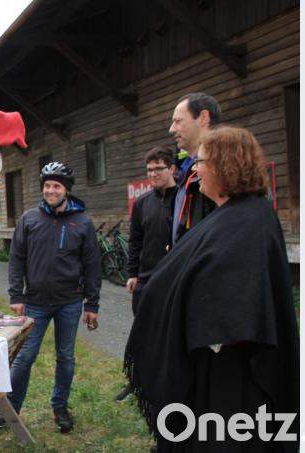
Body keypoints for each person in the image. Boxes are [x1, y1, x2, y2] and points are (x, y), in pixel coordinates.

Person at [124, 127, 299, 452]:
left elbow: (239, 301)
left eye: (201, 161)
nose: (194, 169)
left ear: (225, 165)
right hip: (210, 368)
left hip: (227, 378)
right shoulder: (233, 214)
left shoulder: (248, 220)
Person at [0, 161, 101, 433]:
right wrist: (17, 294)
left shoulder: (82, 223)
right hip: (35, 303)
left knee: (66, 357)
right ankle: (11, 409)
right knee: (25, 357)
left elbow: (92, 265)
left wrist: (92, 303)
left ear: (66, 190)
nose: (50, 191)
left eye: (56, 186)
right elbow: (16, 259)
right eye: (47, 186)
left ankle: (60, 406)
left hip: (70, 302)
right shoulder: (29, 219)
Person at [114, 146, 178, 403]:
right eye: (149, 169)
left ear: (172, 169)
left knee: (169, 335)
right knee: (142, 332)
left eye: (158, 169)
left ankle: (167, 383)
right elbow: (135, 241)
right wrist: (132, 274)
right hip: (145, 279)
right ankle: (138, 381)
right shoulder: (143, 203)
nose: (153, 174)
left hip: (173, 278)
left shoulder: (185, 199)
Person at [168, 92, 221, 246]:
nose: (171, 129)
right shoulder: (187, 168)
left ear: (204, 117)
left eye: (178, 121)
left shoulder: (223, 169)